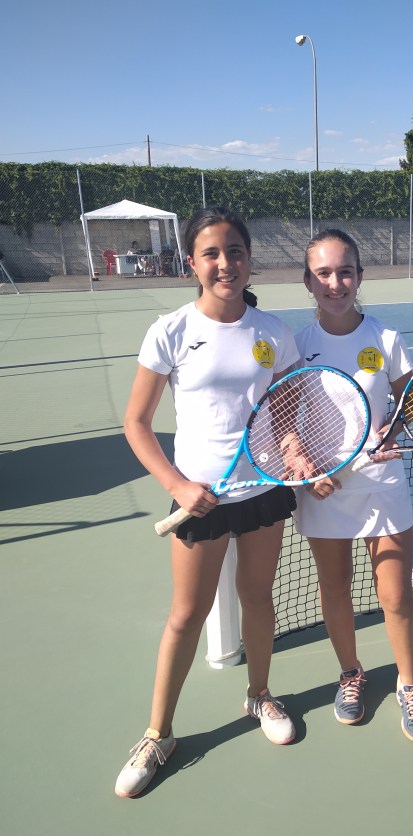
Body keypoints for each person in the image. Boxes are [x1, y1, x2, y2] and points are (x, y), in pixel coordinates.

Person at [115, 208, 300, 799]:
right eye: (212, 253)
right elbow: (137, 423)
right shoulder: (170, 331)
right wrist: (177, 485)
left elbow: (286, 418)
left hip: (263, 492)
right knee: (185, 615)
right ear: (191, 263)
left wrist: (295, 453)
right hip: (198, 500)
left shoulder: (275, 333)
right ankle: (158, 734)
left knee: (258, 599)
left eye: (235, 250)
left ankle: (260, 696)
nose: (226, 263)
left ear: (249, 258)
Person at [293, 229, 413, 743]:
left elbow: (408, 400)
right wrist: (306, 468)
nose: (336, 283)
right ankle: (351, 673)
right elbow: (284, 417)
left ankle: (409, 683)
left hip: (381, 484)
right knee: (335, 589)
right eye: (324, 273)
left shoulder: (387, 339)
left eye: (345, 272)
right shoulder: (297, 346)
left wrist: (392, 432)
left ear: (359, 276)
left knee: (395, 596)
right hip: (323, 489)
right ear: (308, 281)